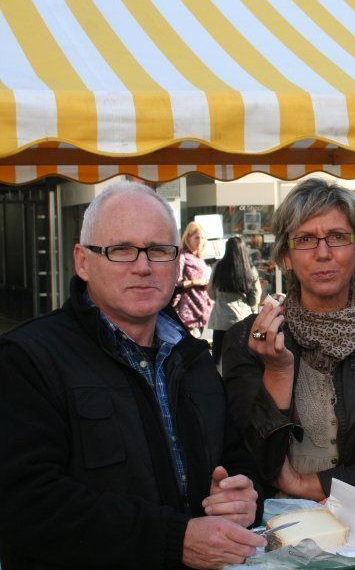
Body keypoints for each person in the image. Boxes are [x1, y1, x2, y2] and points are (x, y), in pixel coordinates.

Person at [0, 181, 266, 570]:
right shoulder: (28, 359)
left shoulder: (194, 359)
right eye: (121, 249)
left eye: (159, 250)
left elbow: (235, 458)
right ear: (83, 261)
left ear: (178, 262)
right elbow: (24, 504)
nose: (143, 266)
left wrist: (243, 496)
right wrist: (172, 540)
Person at [222, 178, 355, 500]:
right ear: (285, 256)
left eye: (338, 237)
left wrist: (309, 485)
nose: (323, 253)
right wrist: (277, 371)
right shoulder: (250, 337)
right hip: (274, 521)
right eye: (305, 239)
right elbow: (246, 458)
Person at [208, 236, 262, 365]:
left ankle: (218, 377)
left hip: (220, 319)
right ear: (244, 250)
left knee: (217, 357)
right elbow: (255, 296)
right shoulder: (250, 269)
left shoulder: (218, 266)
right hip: (242, 318)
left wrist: (219, 299)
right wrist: (250, 305)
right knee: (242, 355)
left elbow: (210, 291)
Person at [174, 221, 214, 337]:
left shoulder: (198, 257)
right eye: (197, 237)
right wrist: (195, 282)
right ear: (188, 238)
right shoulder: (182, 256)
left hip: (201, 311)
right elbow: (176, 283)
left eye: (202, 238)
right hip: (188, 314)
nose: (200, 241)